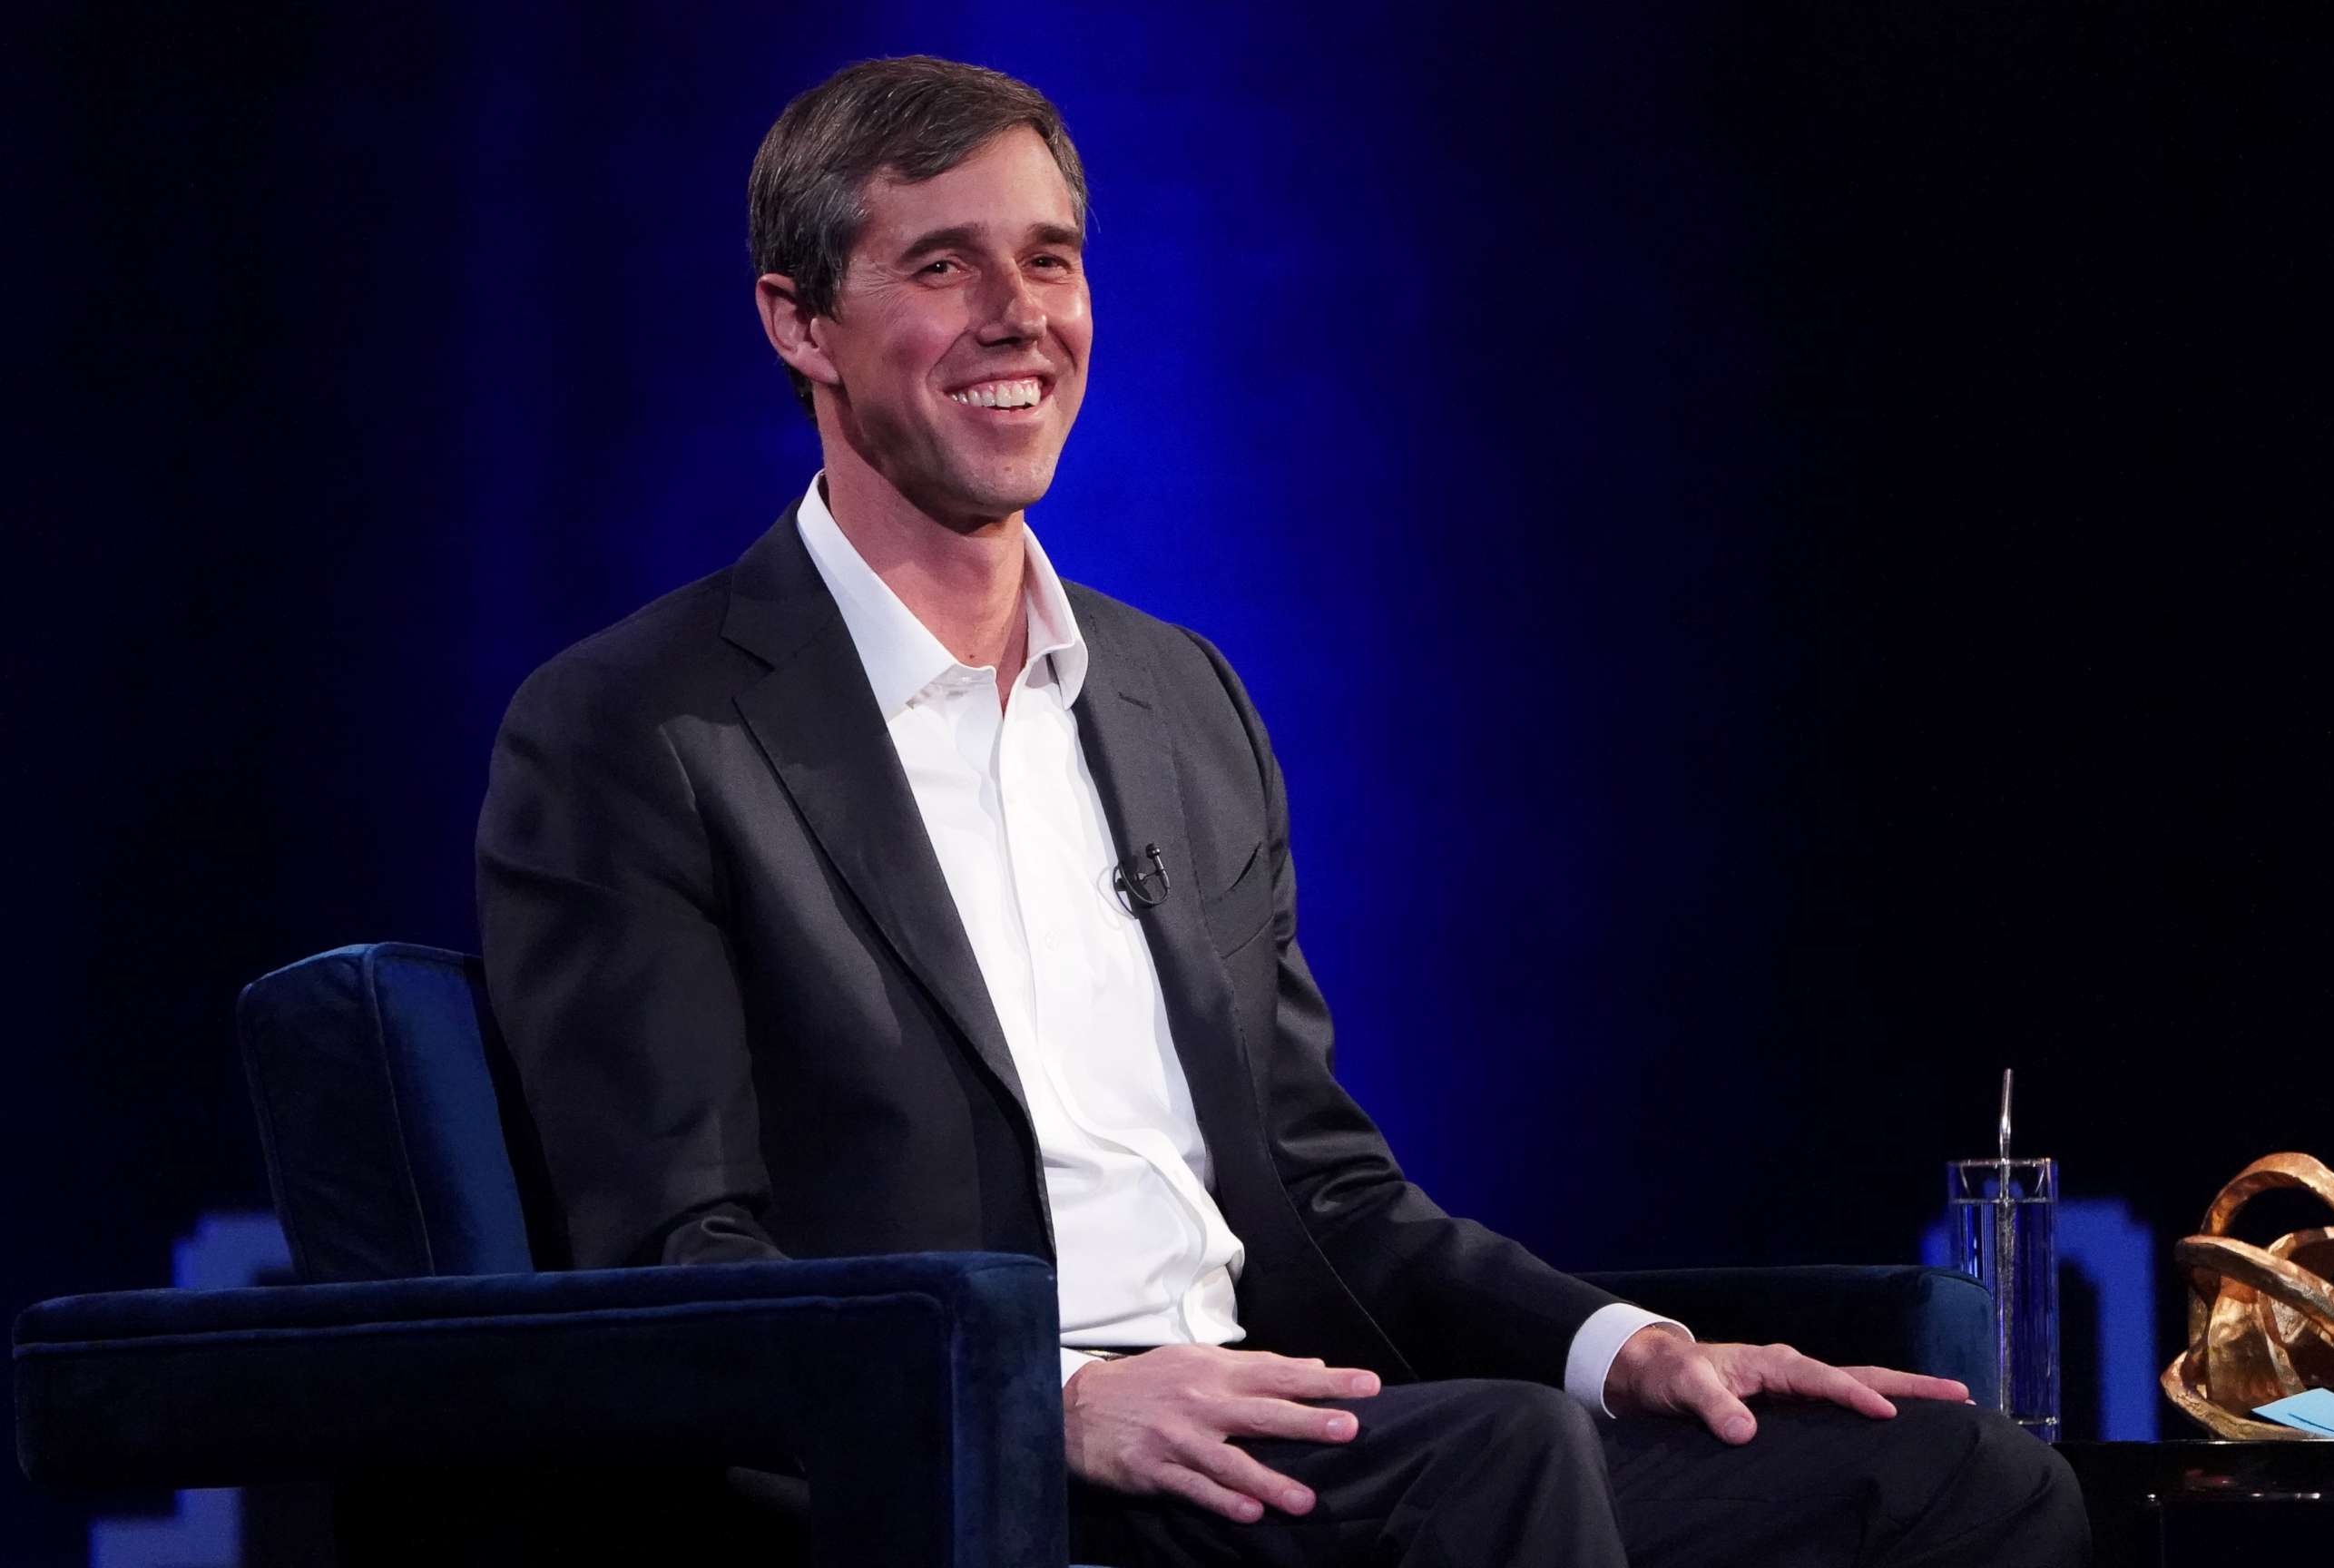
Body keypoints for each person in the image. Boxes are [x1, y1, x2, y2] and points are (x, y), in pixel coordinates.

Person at [476, 54, 2087, 1566]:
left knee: (1962, 1479)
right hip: (970, 1465)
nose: (1017, 317)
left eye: (1049, 260)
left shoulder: (1182, 700)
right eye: (944, 266)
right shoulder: (641, 726)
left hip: (1280, 1420)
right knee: (1499, 1466)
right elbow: (681, 1261)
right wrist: (1047, 1401)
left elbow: (1327, 1189)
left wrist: (1624, 1346)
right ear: (802, 322)